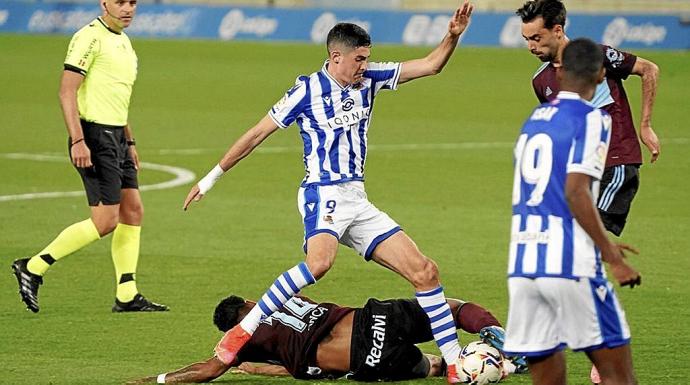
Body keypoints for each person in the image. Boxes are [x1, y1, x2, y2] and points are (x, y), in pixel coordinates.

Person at [182, 3, 474, 383]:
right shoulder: (306, 91)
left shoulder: (369, 78)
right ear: (336, 57)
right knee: (320, 263)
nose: (364, 66)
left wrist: (452, 35)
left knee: (425, 271)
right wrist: (210, 178)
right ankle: (244, 329)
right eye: (359, 59)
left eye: (367, 58)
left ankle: (454, 366)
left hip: (357, 199)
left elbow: (431, 64)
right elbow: (256, 134)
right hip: (323, 193)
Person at [11, 0, 167, 313]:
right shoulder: (88, 37)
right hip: (94, 136)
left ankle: (126, 294)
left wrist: (130, 140)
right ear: (104, 3)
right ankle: (33, 267)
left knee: (132, 210)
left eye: (133, 2)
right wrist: (78, 140)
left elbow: (117, 97)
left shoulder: (123, 41)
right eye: (120, 2)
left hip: (117, 137)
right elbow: (66, 91)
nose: (128, 8)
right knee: (105, 221)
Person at [503, 38, 642, 385]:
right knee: (619, 378)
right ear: (599, 74)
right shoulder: (593, 119)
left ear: (559, 72)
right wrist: (612, 254)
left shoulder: (534, 119)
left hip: (523, 267)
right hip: (569, 266)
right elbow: (576, 192)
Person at [129, 294, 521, 383]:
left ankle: (493, 370)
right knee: (450, 309)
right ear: (249, 300)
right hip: (375, 318)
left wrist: (160, 379)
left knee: (433, 366)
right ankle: (501, 340)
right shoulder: (282, 296)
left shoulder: (242, 338)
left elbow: (207, 370)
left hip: (366, 361)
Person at [516, 0, 660, 237]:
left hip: (615, 162)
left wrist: (645, 126)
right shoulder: (541, 81)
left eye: (536, 38)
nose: (531, 46)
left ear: (558, 30)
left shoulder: (597, 56)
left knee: (584, 235)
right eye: (526, 39)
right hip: (580, 170)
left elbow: (649, 69)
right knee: (574, 239)